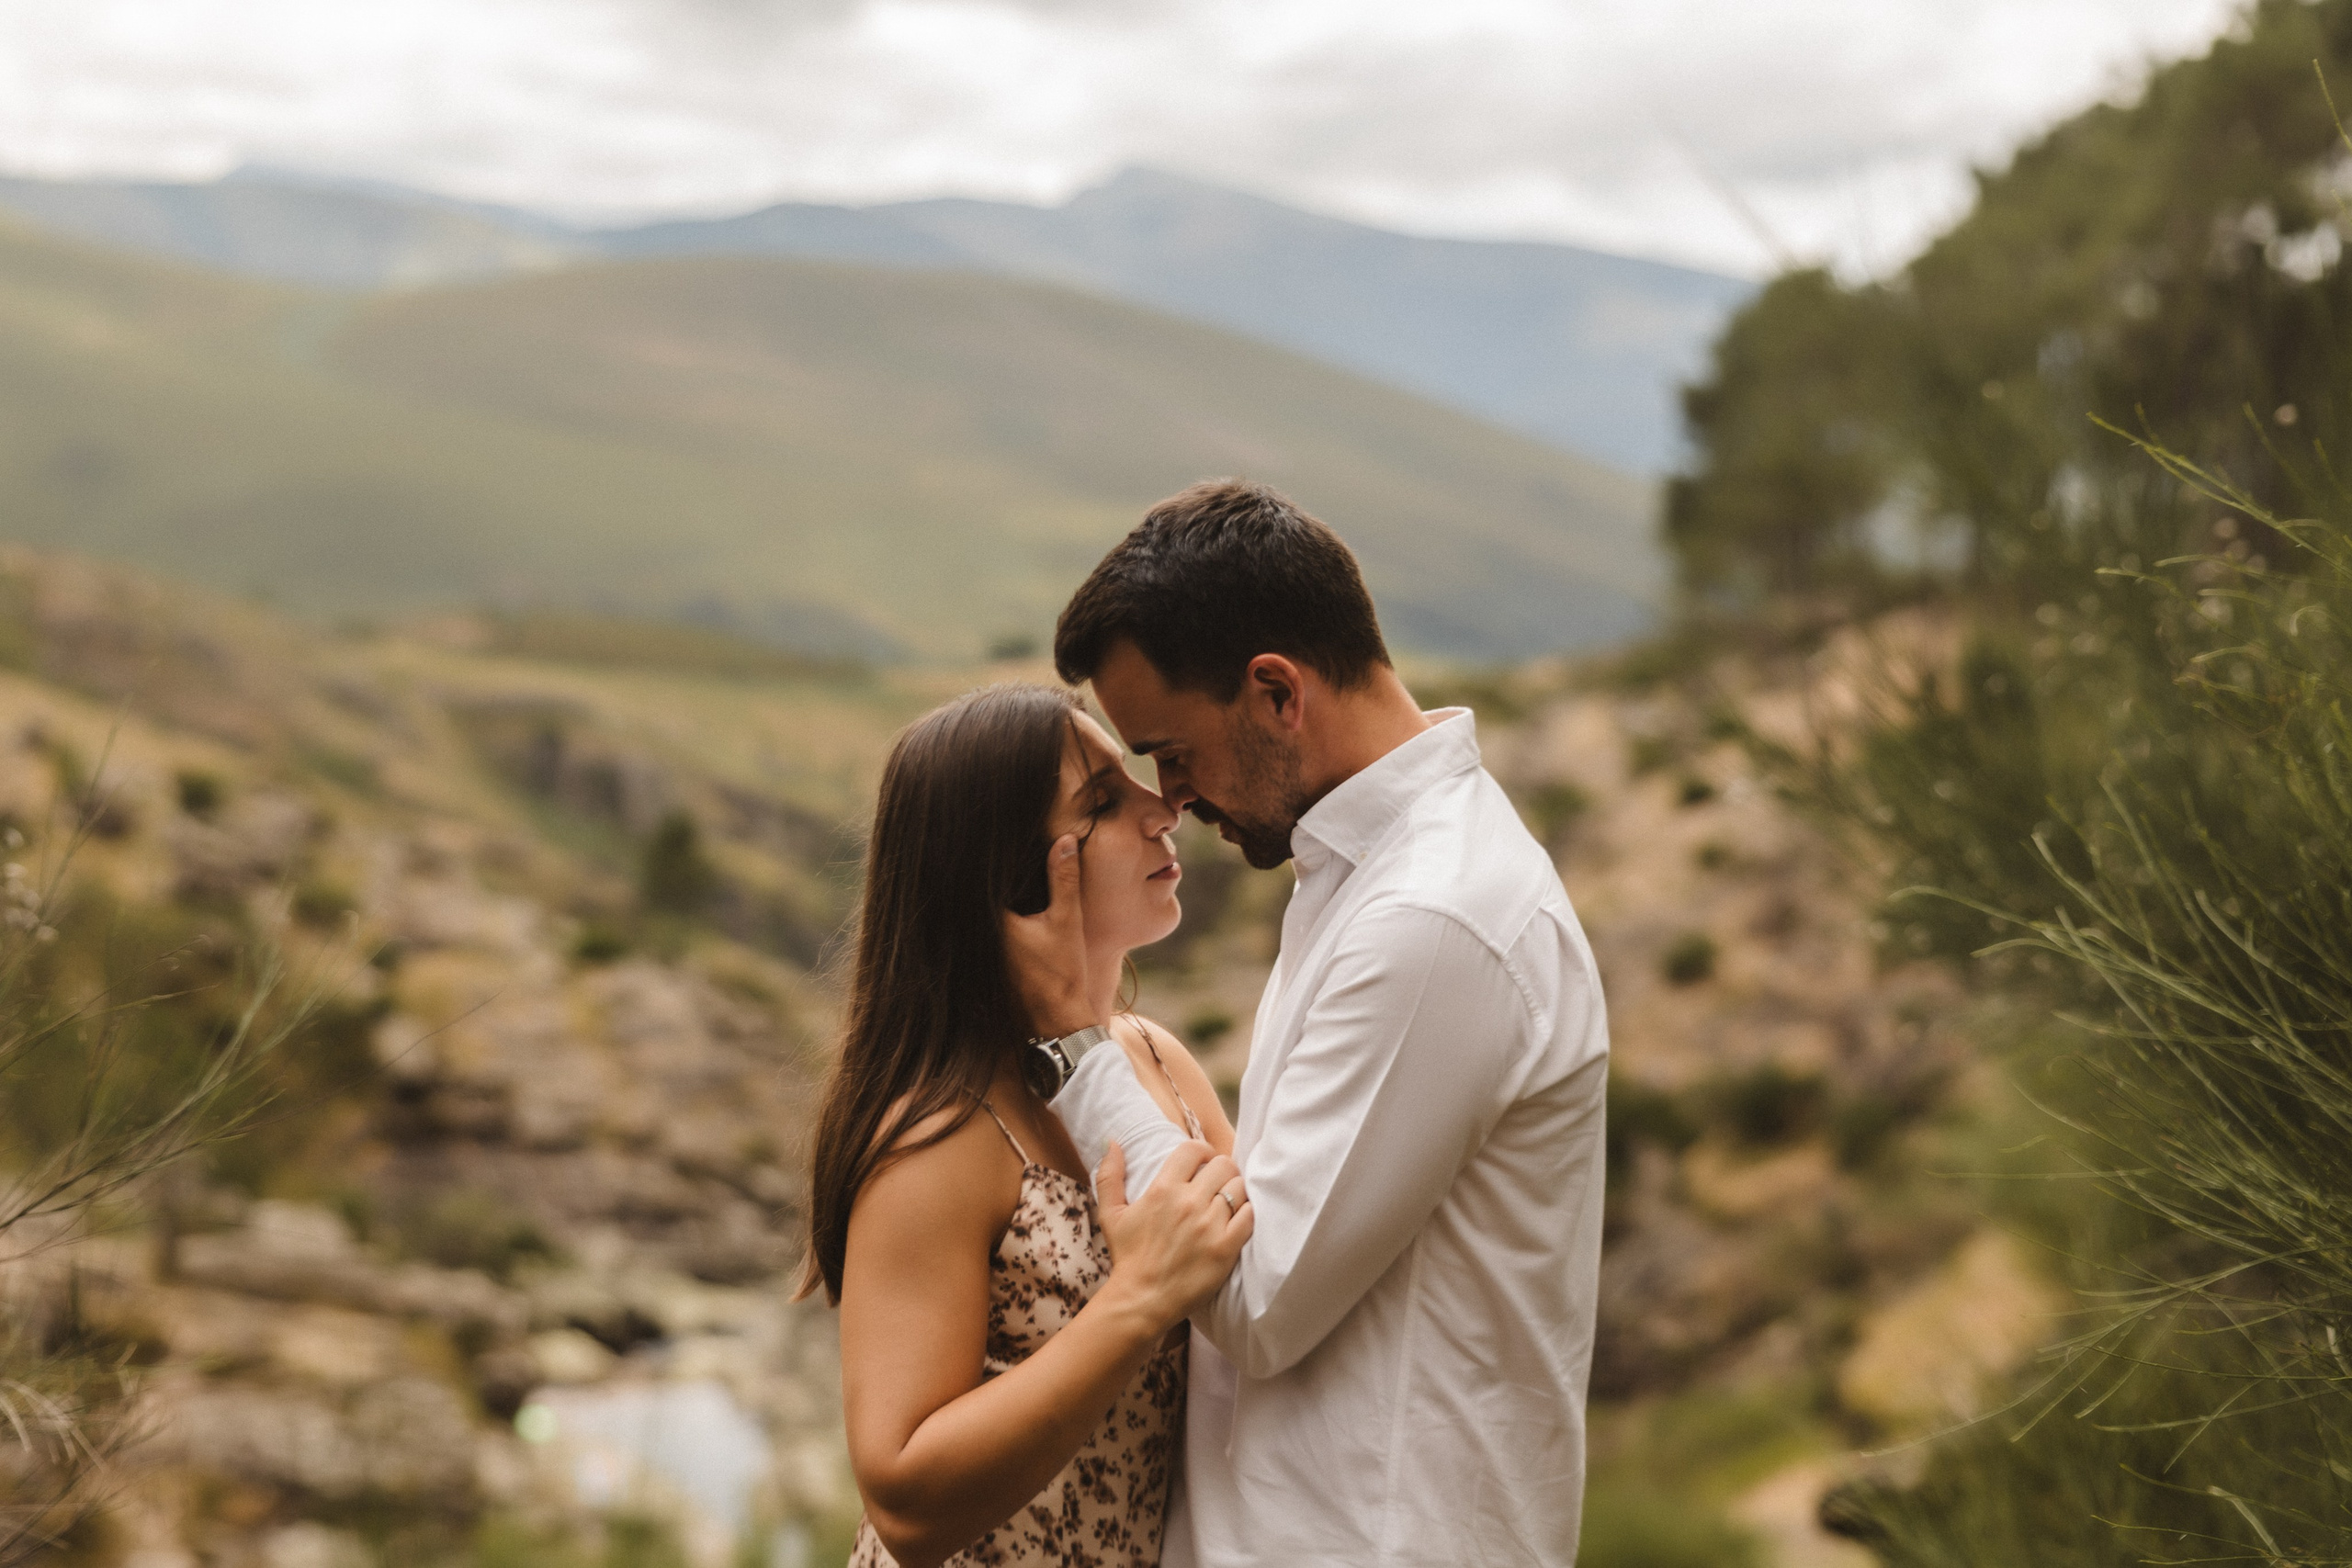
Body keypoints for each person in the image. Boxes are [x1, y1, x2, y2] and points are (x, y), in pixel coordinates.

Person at [1013, 480, 1611, 1566]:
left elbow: (1253, 1295)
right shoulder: (1365, 874)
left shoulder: (1433, 917)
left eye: (1174, 751)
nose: (1171, 797)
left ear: (1276, 694)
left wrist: (1075, 1044)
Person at [803, 682, 1250, 1568]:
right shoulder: (941, 1133)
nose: (1166, 811)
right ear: (1009, 874)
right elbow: (903, 1498)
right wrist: (1138, 1300)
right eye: (1103, 803)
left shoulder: (1159, 1062)